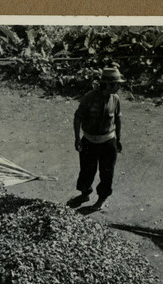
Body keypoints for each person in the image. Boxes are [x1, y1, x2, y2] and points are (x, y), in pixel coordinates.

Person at [68, 66, 125, 211]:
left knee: (107, 173)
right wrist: (77, 138)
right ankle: (85, 193)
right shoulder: (89, 98)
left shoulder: (115, 99)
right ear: (109, 85)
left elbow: (117, 120)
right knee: (86, 171)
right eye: (117, 84)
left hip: (108, 142)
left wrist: (118, 139)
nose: (119, 87)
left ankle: (101, 199)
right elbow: (77, 118)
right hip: (89, 141)